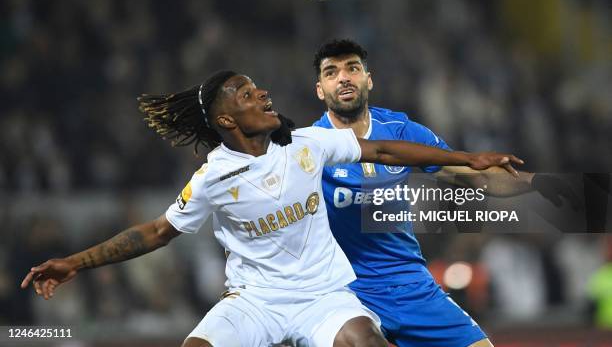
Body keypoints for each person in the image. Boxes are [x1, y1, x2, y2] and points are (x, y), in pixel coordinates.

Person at [21, 70, 522, 347]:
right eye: (245, 92)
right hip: (256, 300)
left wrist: (466, 158)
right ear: (225, 118)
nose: (260, 92)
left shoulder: (307, 144)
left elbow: (384, 151)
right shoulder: (213, 178)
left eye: (256, 86)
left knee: (366, 343)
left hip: (325, 296)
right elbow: (155, 232)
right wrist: (74, 263)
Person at [312, 39, 576, 347]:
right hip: (347, 294)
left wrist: (536, 183)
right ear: (320, 89)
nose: (343, 77)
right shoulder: (309, 148)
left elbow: (476, 178)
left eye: (352, 68)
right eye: (331, 72)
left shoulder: (402, 130)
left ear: (368, 79)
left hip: (410, 285)